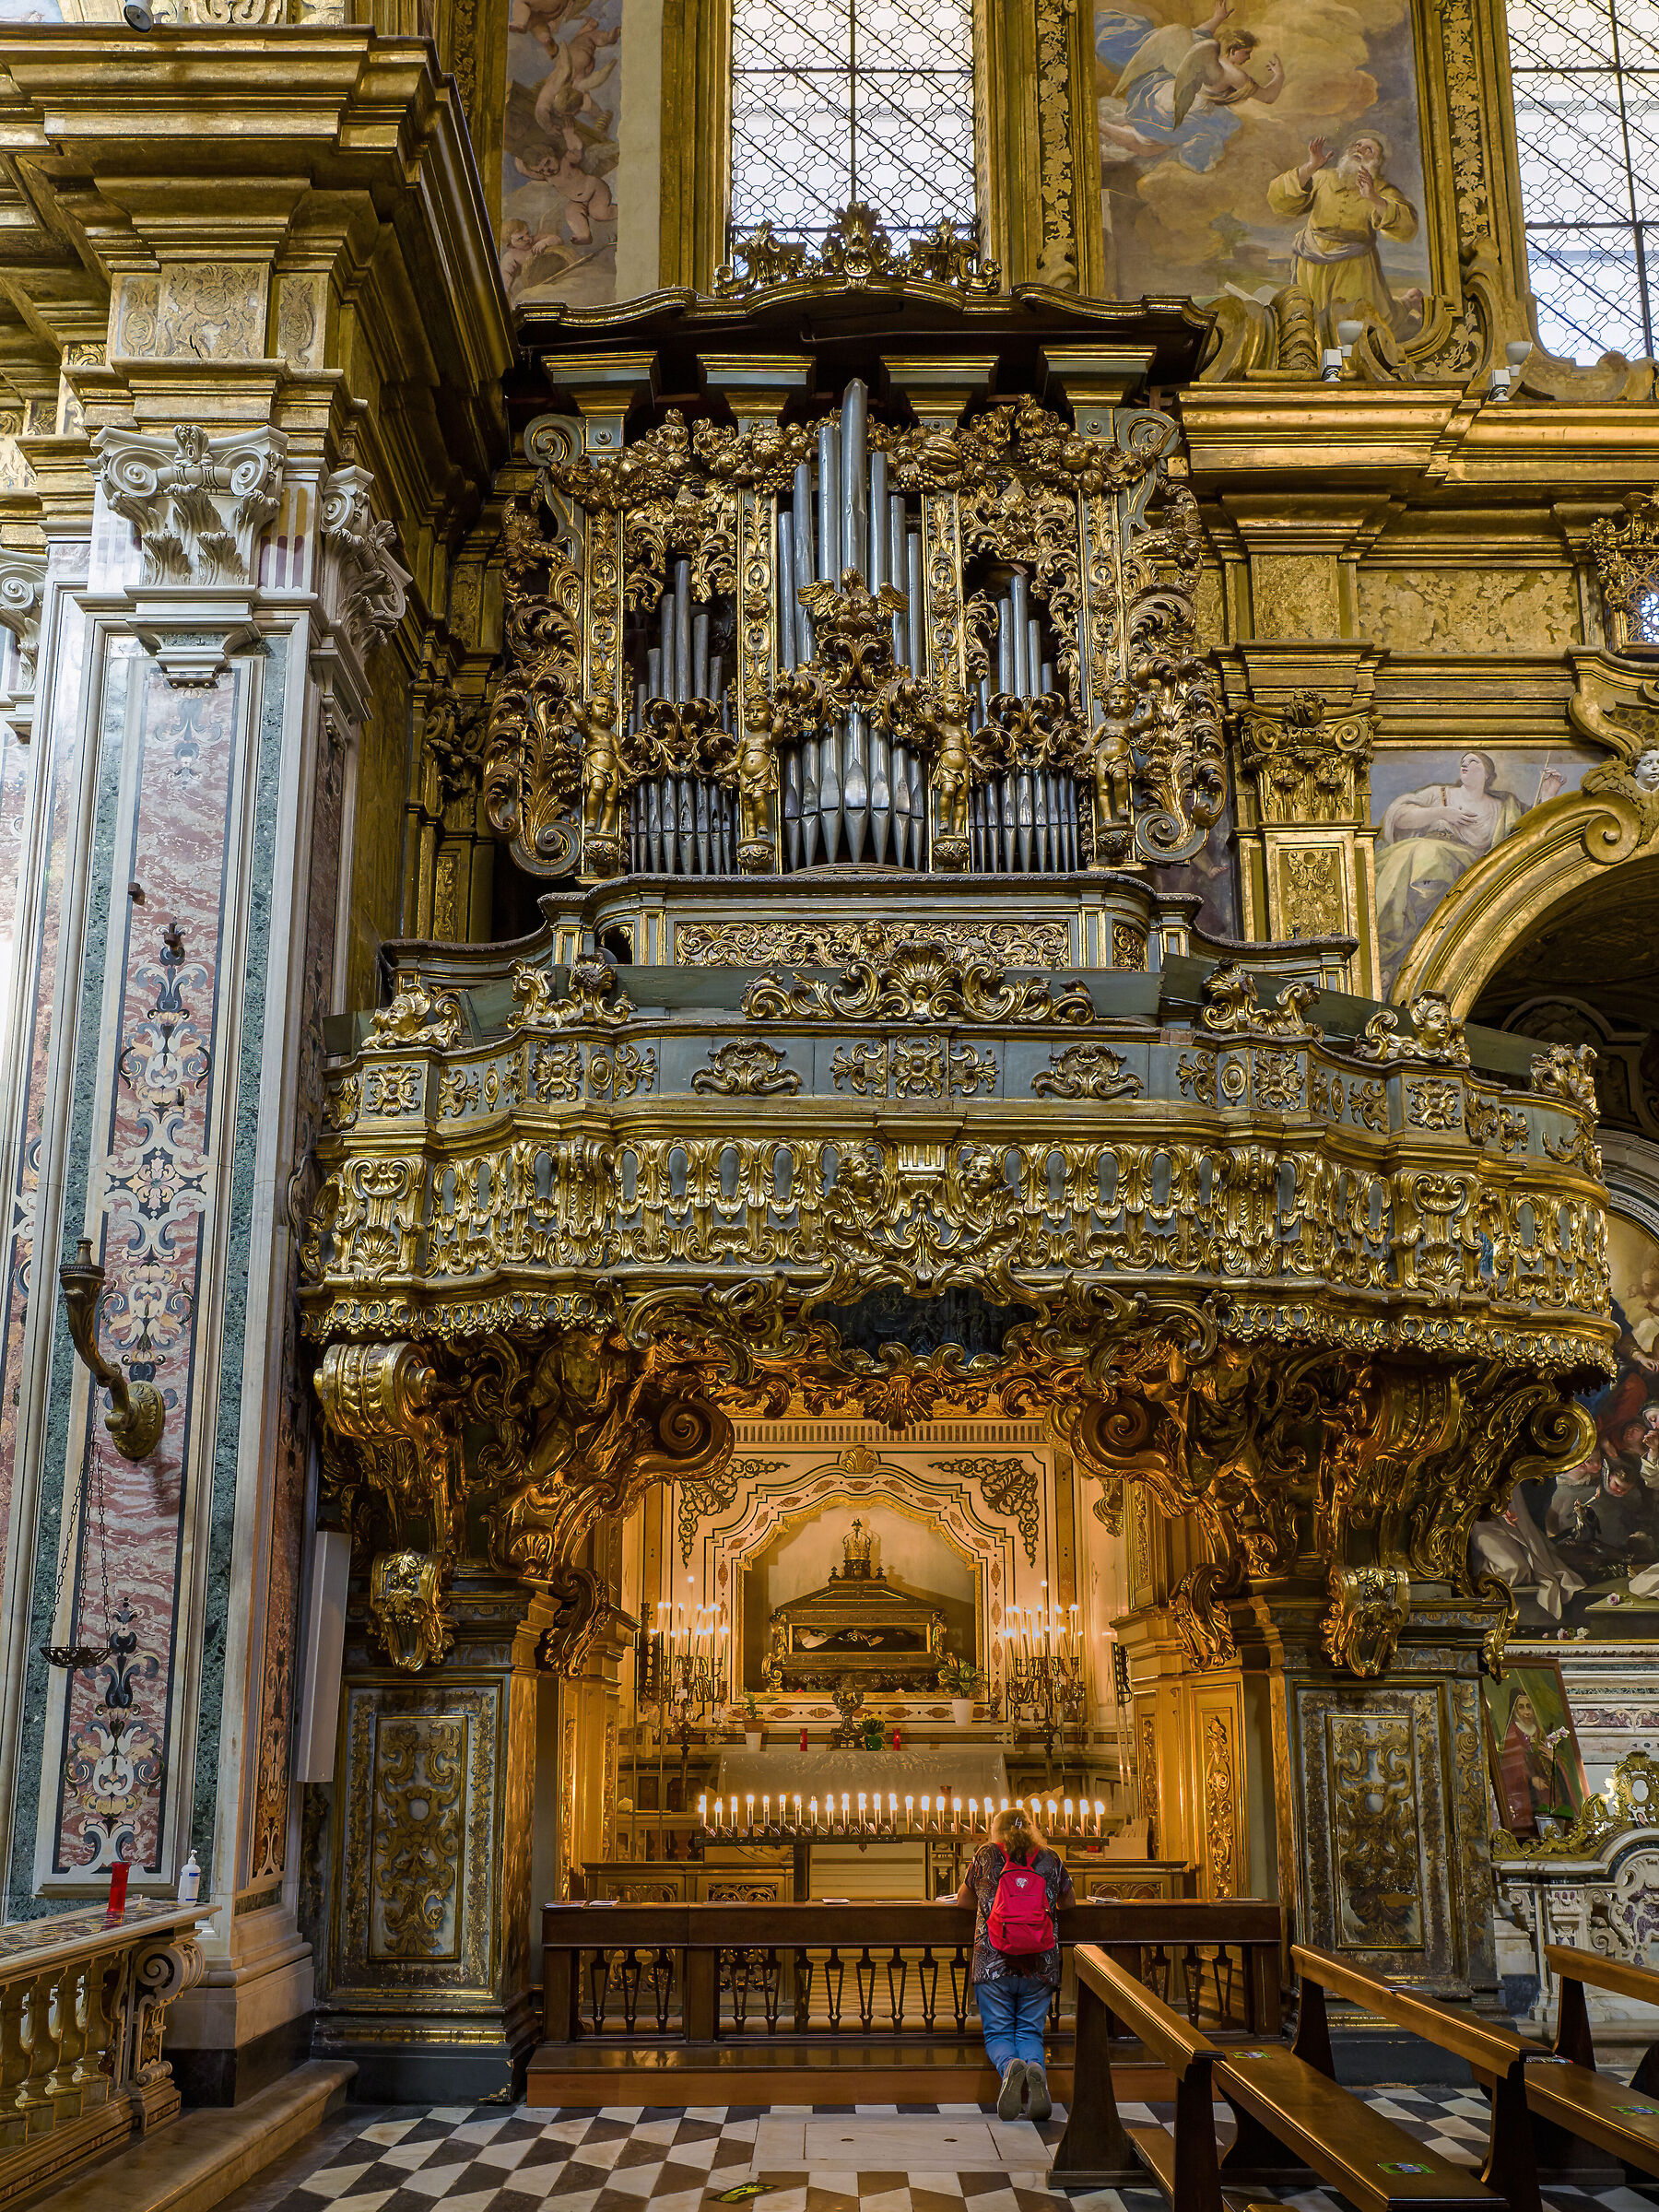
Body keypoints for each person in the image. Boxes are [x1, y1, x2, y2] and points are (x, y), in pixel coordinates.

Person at [946, 1805, 1076, 2120]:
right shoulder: (1051, 1858)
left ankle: (1009, 2068)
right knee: (1030, 2032)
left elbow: (964, 1901)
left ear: (996, 1830)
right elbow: (1069, 1902)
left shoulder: (986, 1855)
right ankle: (1035, 2069)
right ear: (1031, 1828)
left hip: (993, 1960)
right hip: (1040, 1961)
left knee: (999, 2033)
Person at [1097, 0, 1283, 173]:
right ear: (1233, 50)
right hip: (1184, 107)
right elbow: (1268, 97)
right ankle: (1101, 125)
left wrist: (1217, 18)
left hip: (1166, 94)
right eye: (1246, 53)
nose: (1248, 58)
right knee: (1147, 146)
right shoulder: (1233, 74)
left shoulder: (1207, 52)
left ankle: (1104, 125)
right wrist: (1279, 76)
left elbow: (1198, 34)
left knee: (1150, 143)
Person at [1265, 134, 1421, 329]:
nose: (1360, 150)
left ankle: (1409, 302)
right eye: (1357, 145)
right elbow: (1278, 200)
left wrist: (1374, 198)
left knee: (1360, 322)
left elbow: (1408, 228)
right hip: (1311, 261)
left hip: (1354, 266)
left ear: (1377, 162)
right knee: (1311, 319)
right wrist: (1311, 166)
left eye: (1369, 149)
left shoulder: (1381, 188)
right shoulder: (1323, 177)